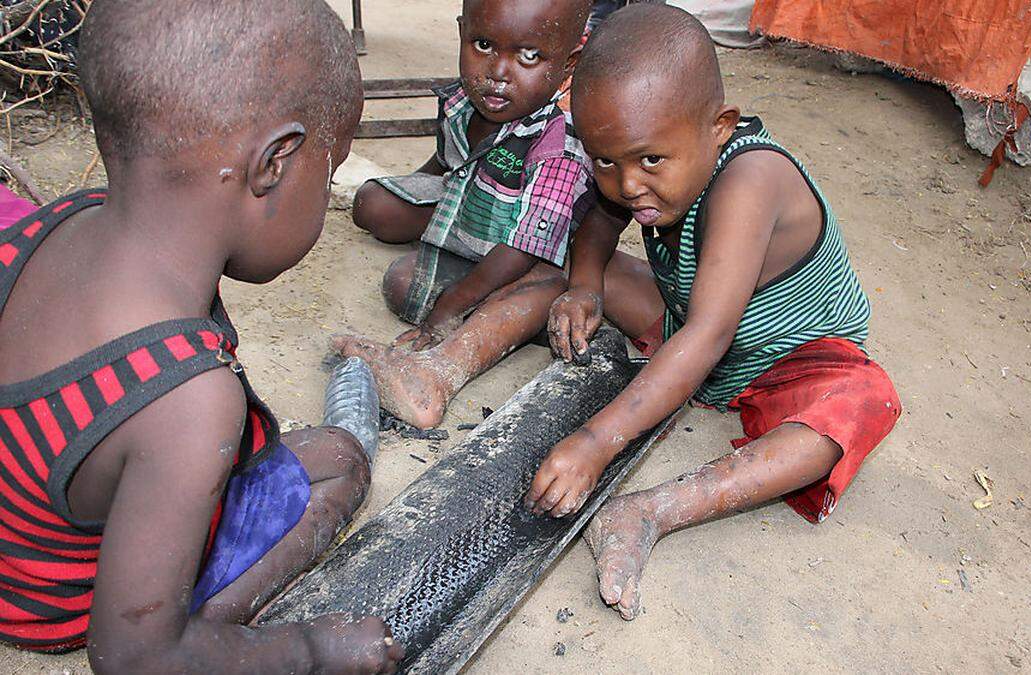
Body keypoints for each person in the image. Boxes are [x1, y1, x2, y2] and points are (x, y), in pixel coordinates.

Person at [0, 1, 403, 672]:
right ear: (274, 163)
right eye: (327, 172)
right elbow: (129, 656)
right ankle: (202, 629)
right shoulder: (188, 401)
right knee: (341, 468)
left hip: (24, 538)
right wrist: (313, 649)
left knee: (326, 450)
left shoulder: (51, 225)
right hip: (57, 607)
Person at [526, 4, 902, 621]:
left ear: (719, 126)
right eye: (603, 159)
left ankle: (653, 510)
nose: (627, 184)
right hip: (690, 324)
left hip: (786, 357)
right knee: (562, 276)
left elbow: (710, 332)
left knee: (864, 402)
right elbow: (599, 214)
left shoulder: (749, 180)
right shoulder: (635, 165)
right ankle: (445, 360)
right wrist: (587, 286)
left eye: (650, 161)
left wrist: (597, 442)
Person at [334, 0, 595, 430]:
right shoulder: (461, 101)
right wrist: (414, 199)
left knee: (406, 285)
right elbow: (444, 166)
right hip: (470, 213)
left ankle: (469, 334)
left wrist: (450, 307)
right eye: (484, 44)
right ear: (461, 32)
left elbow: (521, 247)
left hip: (521, 250)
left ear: (569, 63)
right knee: (373, 204)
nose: (498, 71)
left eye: (529, 56)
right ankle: (475, 290)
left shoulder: (558, 146)